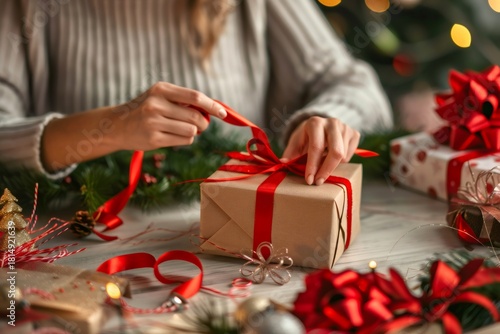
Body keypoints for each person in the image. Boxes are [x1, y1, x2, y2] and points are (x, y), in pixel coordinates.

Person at [0, 0, 393, 186]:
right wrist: (109, 128)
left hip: (244, 257)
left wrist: (322, 121)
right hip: (75, 253)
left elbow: (356, 85)